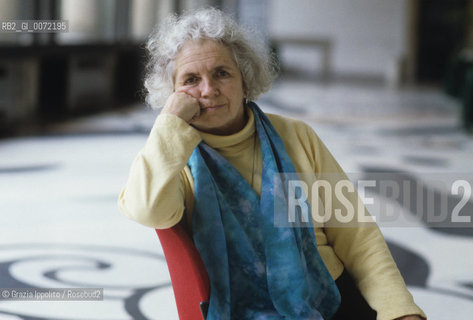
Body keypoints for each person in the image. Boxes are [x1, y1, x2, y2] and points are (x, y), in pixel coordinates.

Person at [119, 8, 426, 320]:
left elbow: (357, 236)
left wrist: (400, 310)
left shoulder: (297, 136)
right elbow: (147, 210)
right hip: (240, 308)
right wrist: (169, 123)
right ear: (173, 93)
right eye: (191, 80)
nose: (208, 90)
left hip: (328, 298)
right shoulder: (173, 158)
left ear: (245, 80)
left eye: (222, 73)